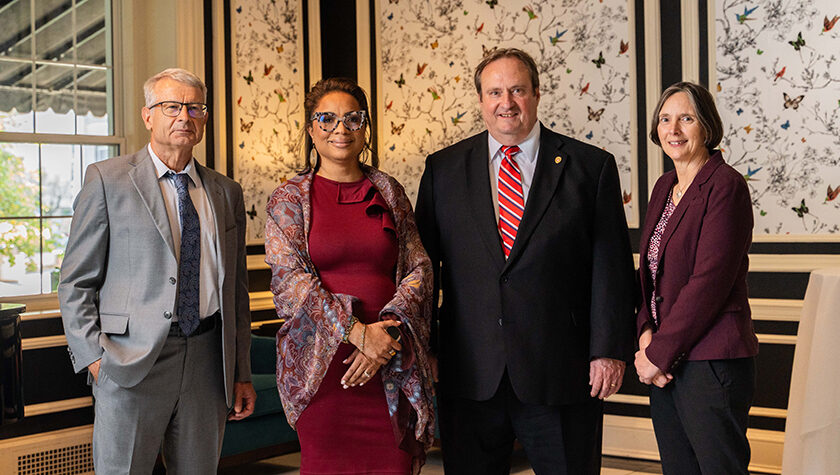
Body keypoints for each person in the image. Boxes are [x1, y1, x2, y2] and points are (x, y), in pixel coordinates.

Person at [415, 48, 636, 474]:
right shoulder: (443, 170)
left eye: (517, 90)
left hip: (561, 372)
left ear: (536, 93)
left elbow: (610, 270)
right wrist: (426, 347)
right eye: (494, 92)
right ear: (481, 100)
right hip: (469, 374)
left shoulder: (591, 167)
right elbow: (423, 270)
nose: (506, 102)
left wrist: (608, 351)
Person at [58, 68, 256, 473]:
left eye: (195, 108)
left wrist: (241, 371)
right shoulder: (107, 180)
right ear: (148, 115)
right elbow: (76, 281)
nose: (184, 116)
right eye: (171, 106)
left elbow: (235, 290)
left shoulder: (225, 192)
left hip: (207, 360)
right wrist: (94, 357)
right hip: (129, 362)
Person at [265, 77, 436, 474]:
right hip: (323, 372)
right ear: (310, 130)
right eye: (326, 119)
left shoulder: (389, 191)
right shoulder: (287, 199)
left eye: (352, 118)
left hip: (390, 361)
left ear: (365, 128)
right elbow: (290, 282)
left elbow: (418, 267)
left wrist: (387, 333)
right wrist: (358, 333)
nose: (340, 129)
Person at [634, 81, 759, 474]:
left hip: (711, 362)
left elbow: (709, 283)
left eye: (686, 119)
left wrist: (656, 354)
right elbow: (648, 275)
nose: (673, 129)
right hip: (668, 363)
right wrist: (644, 335)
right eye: (665, 119)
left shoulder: (726, 186)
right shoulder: (664, 186)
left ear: (706, 126)